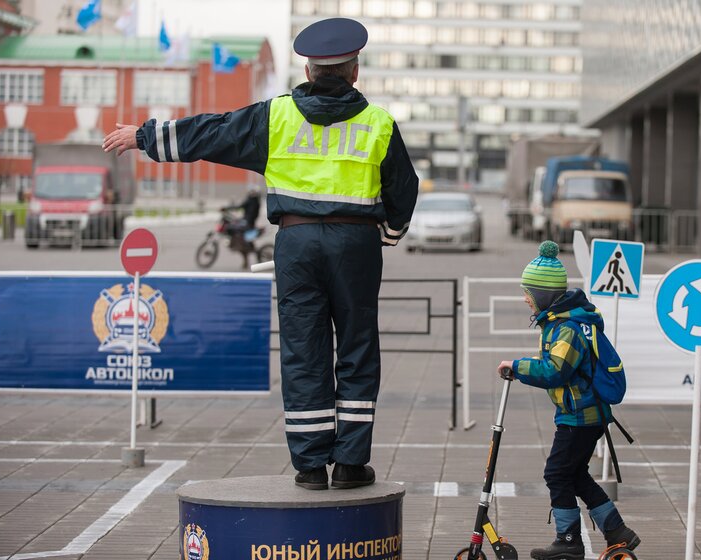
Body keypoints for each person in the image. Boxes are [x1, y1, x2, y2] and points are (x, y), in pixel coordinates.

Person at [102, 17, 419, 490]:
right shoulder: (378, 122)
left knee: (302, 350)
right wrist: (389, 235)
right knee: (356, 346)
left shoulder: (277, 116)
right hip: (355, 245)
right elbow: (403, 189)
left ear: (310, 71)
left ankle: (311, 465)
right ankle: (351, 463)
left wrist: (145, 136)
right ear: (355, 72)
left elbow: (213, 132)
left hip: (296, 242)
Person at [497, 241, 639, 560]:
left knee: (557, 473)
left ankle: (569, 540)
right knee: (575, 474)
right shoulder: (560, 323)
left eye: (528, 293)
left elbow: (556, 371)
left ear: (544, 296)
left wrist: (517, 367)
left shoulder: (568, 329)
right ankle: (617, 531)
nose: (524, 298)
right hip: (582, 413)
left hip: (581, 416)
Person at [221, 186, 262, 269]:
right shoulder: (255, 201)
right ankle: (241, 246)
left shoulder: (252, 201)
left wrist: (226, 208)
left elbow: (240, 206)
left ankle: (240, 244)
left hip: (248, 223)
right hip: (247, 221)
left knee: (231, 228)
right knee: (234, 225)